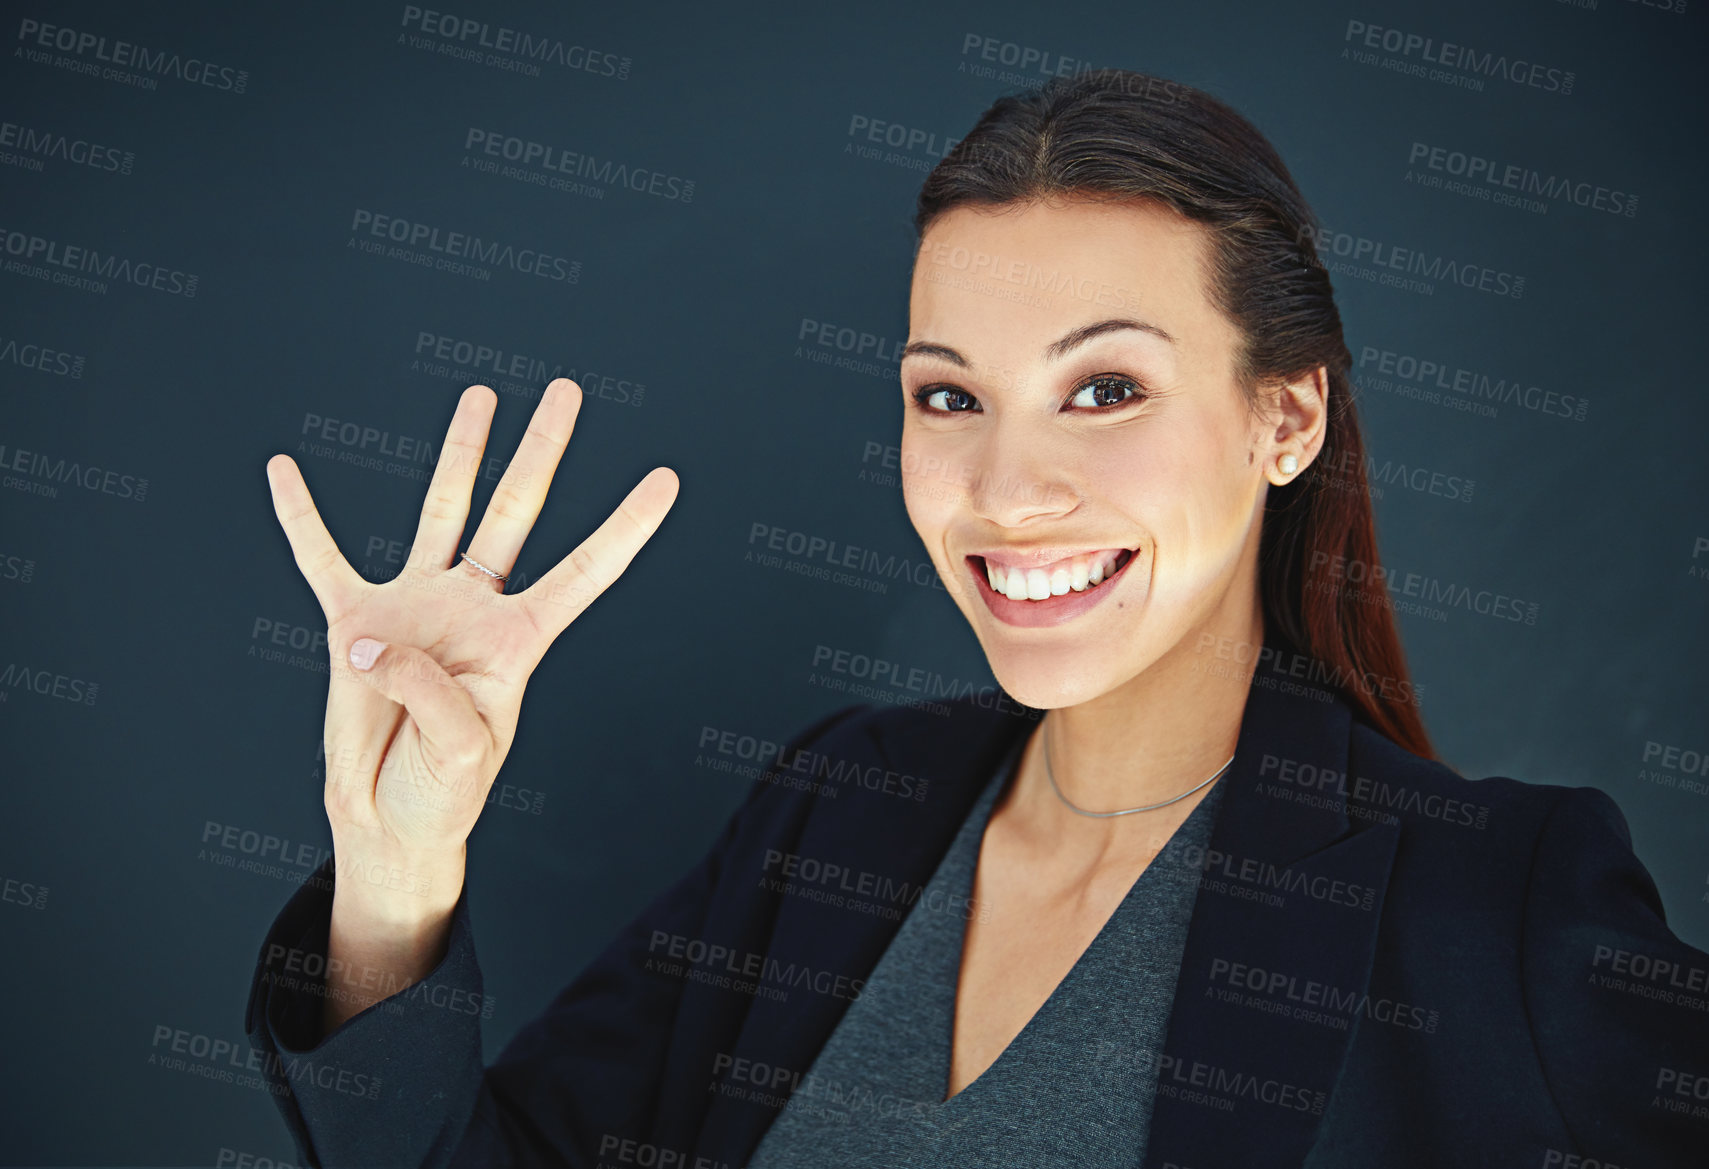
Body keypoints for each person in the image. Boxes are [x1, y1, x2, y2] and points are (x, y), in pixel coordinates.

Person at [245, 69, 1709, 1168]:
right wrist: (394, 877)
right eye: (949, 397)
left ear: (1287, 414)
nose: (1007, 490)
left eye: (1105, 389)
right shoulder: (834, 813)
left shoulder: (1494, 904)